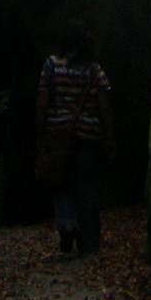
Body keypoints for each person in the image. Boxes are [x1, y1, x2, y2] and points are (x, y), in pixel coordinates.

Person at [34, 20, 116, 257]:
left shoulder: (51, 65)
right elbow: (105, 107)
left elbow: (42, 100)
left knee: (61, 183)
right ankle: (89, 244)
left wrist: (40, 133)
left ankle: (67, 223)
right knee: (87, 186)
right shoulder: (94, 70)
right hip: (89, 138)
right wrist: (109, 138)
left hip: (58, 135)